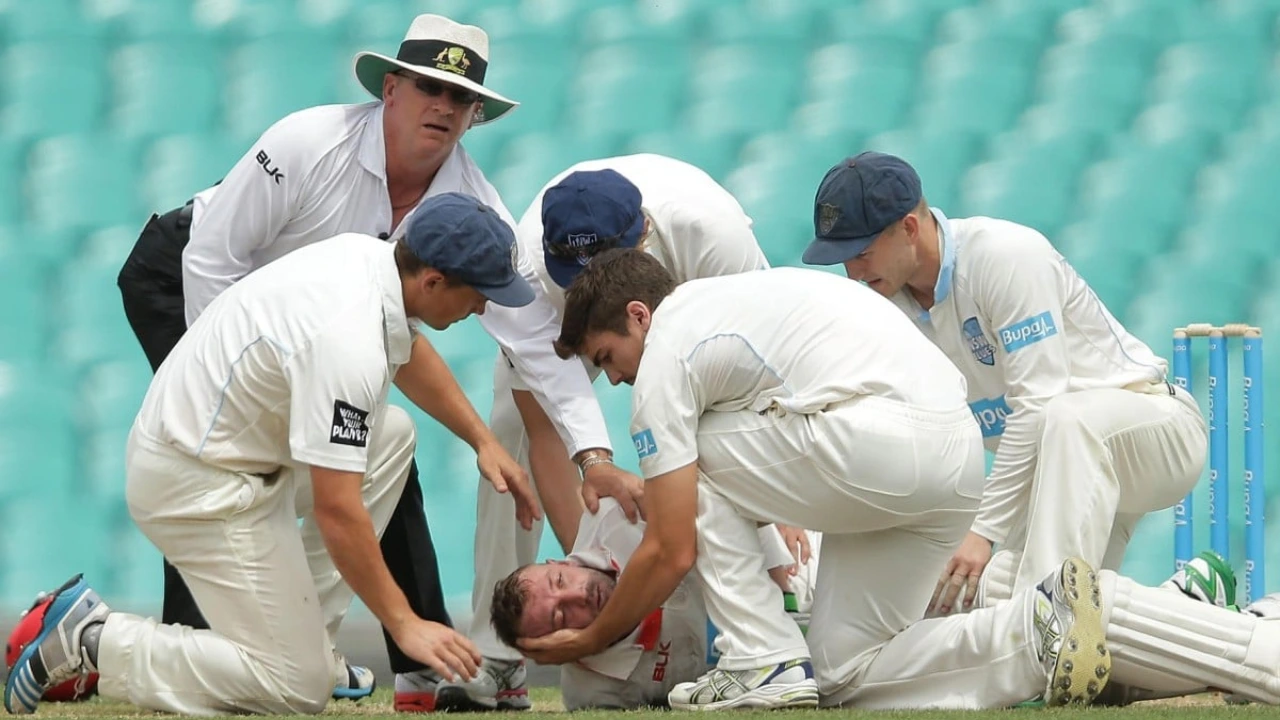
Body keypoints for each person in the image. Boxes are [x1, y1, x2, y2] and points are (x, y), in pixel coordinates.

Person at [111, 13, 601, 709]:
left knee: (378, 445)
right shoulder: (307, 142)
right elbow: (213, 259)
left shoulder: (470, 210)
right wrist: (221, 381)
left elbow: (534, 348)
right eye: (429, 86)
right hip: (189, 278)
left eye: (460, 98)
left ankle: (369, 654)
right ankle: (197, 648)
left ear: (474, 118)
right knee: (220, 459)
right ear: (390, 88)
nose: (444, 106)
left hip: (310, 321)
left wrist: (589, 453)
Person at [5, 194, 541, 717]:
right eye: (480, 292)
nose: (484, 306)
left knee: (392, 434)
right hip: (196, 484)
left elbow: (408, 351)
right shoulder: (345, 340)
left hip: (229, 455)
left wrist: (483, 440)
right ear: (433, 281)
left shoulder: (369, 261)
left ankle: (312, 647)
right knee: (294, 688)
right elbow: (337, 510)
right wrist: (403, 622)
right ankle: (93, 639)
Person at [517, 249, 1115, 710]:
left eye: (605, 358)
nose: (616, 380)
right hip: (952, 463)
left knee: (684, 456)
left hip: (882, 447)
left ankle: (759, 658)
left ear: (638, 316)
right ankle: (1035, 631)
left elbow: (672, 546)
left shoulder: (667, 354)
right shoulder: (731, 298)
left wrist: (593, 639)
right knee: (842, 668)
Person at [800, 152, 1207, 617]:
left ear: (909, 228)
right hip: (1055, 470)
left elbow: (1038, 405)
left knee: (1063, 424)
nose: (852, 272)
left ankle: (1045, 633)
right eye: (842, 259)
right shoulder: (885, 305)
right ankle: (1190, 602)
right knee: (998, 600)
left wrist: (984, 530)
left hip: (1155, 429)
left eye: (861, 252)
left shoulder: (1005, 255)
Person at [454, 154, 772, 708]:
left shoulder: (710, 235)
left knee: (730, 435)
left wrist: (778, 516)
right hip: (561, 328)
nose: (588, 292)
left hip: (710, 318)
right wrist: (596, 546)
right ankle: (501, 658)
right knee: (508, 439)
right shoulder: (532, 269)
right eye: (576, 280)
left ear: (644, 235)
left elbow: (762, 375)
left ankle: (776, 610)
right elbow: (544, 420)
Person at [486, 499, 814, 710]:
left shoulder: (615, 518)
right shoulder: (593, 693)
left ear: (560, 561)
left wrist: (777, 515)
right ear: (551, 647)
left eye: (560, 581)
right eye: (561, 617)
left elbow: (711, 500)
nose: (578, 595)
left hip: (798, 566)